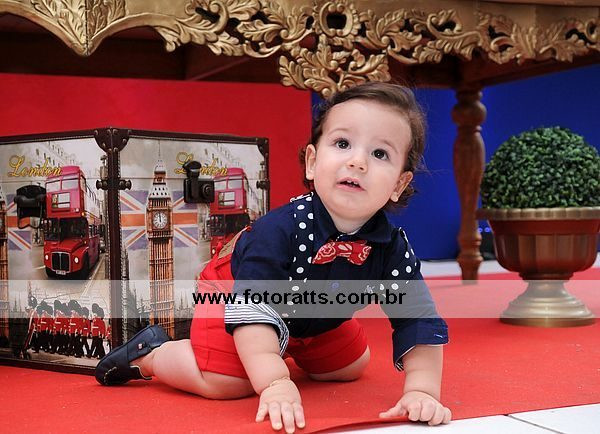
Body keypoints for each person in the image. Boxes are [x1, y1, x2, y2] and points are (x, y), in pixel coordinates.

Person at [96, 82, 451, 432]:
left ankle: (285, 345)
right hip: (235, 296)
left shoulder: (391, 247)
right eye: (343, 144)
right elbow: (253, 308)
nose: (357, 162)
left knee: (350, 366)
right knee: (227, 382)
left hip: (310, 316)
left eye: (380, 154)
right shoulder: (278, 231)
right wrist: (275, 382)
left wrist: (422, 390)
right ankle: (154, 353)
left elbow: (417, 318)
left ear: (399, 185)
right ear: (312, 162)